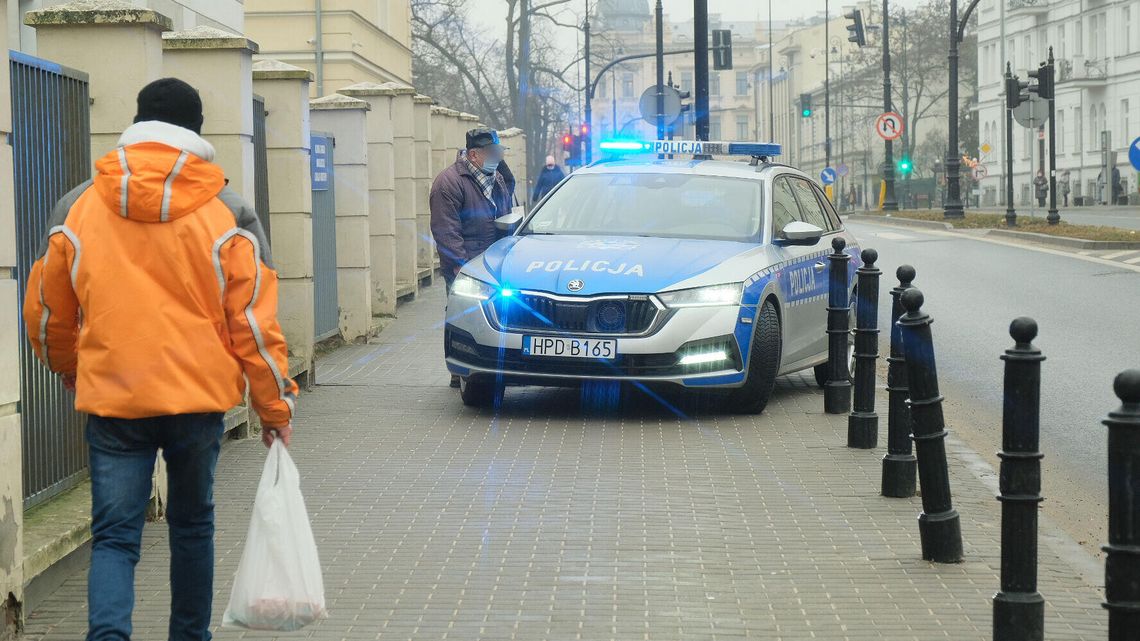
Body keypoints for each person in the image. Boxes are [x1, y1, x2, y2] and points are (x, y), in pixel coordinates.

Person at [22, 78, 297, 641]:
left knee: (116, 537)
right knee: (192, 527)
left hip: (114, 400)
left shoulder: (78, 206)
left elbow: (49, 311)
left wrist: (71, 368)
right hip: (197, 401)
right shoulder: (229, 211)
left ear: (137, 123)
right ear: (196, 132)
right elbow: (253, 324)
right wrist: (275, 409)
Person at [429, 127, 516, 387]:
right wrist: (460, 268)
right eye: (493, 153)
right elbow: (446, 230)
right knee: (461, 315)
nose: (498, 158)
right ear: (475, 155)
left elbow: (507, 202)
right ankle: (460, 370)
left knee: (495, 314)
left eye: (499, 152)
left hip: (493, 263)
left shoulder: (496, 177)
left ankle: (493, 364)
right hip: (464, 265)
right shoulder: (449, 182)